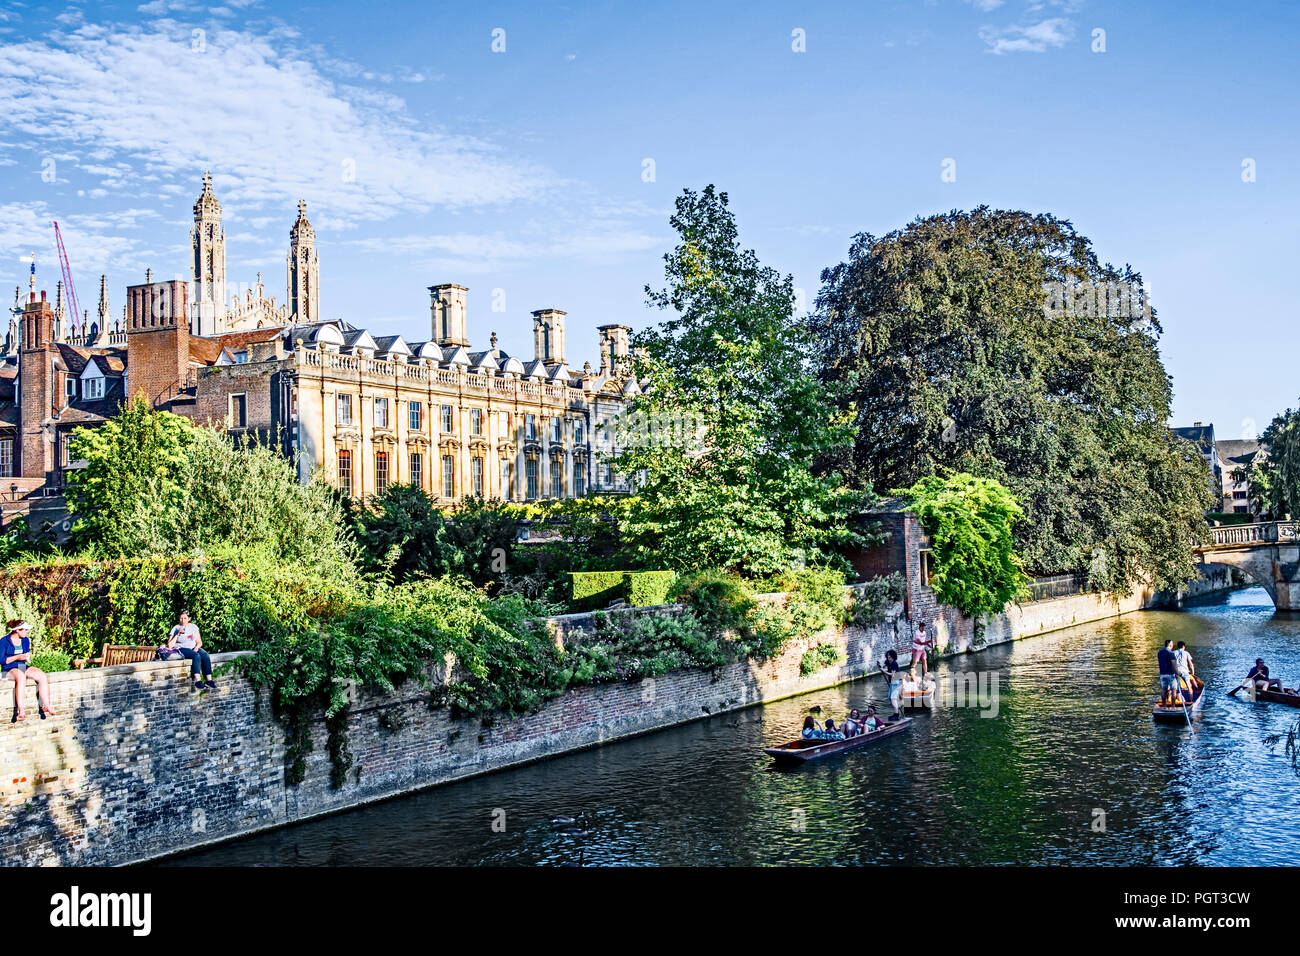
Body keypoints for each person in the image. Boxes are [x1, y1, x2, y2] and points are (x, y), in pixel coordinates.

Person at [2, 619, 56, 721]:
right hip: (8, 668)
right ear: (17, 630)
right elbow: (2, 660)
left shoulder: (25, 640)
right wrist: (17, 657)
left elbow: (26, 655)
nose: (27, 632)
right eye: (25, 630)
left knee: (41, 675)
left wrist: (27, 656)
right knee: (21, 676)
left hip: (22, 666)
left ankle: (46, 705)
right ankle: (21, 709)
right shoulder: (4, 641)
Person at [166, 610, 214, 691]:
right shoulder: (176, 628)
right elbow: (170, 645)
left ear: (189, 619)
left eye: (185, 618)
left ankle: (209, 680)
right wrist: (177, 634)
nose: (183, 620)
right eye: (181, 618)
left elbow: (199, 642)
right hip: (181, 648)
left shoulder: (193, 627)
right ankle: (198, 681)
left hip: (193, 647)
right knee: (196, 656)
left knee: (205, 655)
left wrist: (197, 647)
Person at [881, 649, 904, 720]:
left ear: (893, 657)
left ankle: (896, 715)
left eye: (890, 656)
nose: (888, 657)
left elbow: (893, 675)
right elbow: (883, 665)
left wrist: (884, 671)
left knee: (893, 698)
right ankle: (896, 711)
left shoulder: (894, 663)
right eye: (888, 656)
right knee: (890, 698)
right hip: (892, 682)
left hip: (896, 681)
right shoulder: (888, 662)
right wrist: (880, 666)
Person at [1157, 639, 1178, 705]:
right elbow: (1174, 664)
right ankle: (1173, 706)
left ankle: (1164, 706)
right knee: (1173, 690)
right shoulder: (1171, 653)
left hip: (1162, 673)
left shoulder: (1159, 652)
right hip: (1170, 674)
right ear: (1170, 645)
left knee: (1164, 689)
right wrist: (1177, 673)